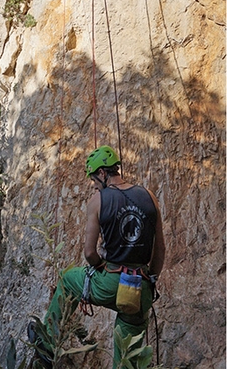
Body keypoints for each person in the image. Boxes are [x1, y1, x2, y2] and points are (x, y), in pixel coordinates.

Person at [28, 145, 165, 368]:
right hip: (140, 288)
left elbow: (89, 253)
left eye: (93, 178)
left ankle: (46, 343)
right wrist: (151, 280)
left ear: (102, 173)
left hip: (110, 282)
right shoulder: (149, 196)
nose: (93, 184)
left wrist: (101, 266)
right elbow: (159, 251)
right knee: (128, 354)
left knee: (67, 279)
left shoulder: (98, 200)